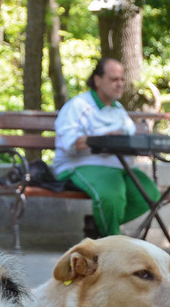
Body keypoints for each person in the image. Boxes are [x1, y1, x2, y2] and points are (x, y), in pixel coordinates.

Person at [53, 58, 160, 239]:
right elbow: (68, 144)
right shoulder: (78, 106)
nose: (119, 84)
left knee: (150, 193)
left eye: (122, 79)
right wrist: (103, 139)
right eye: (113, 79)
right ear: (97, 80)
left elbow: (130, 137)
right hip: (80, 165)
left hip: (119, 167)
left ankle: (98, 226)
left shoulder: (118, 109)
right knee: (112, 196)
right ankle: (114, 243)